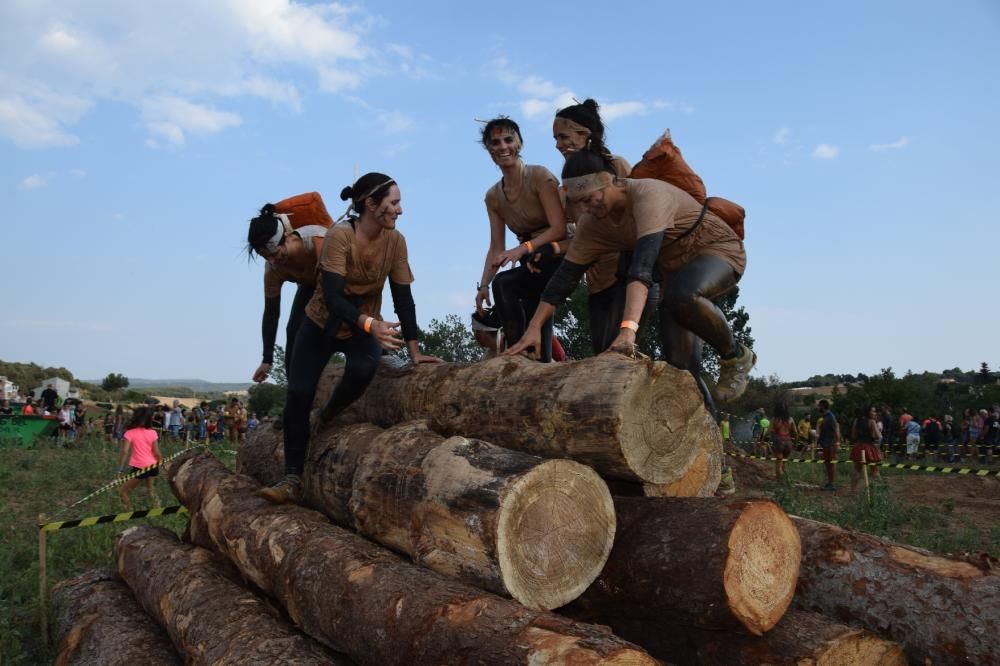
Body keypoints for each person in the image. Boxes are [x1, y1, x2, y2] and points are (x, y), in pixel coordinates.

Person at [507, 150, 755, 413]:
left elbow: (642, 268)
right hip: (674, 274)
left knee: (683, 297)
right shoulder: (594, 224)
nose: (586, 208)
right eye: (578, 203)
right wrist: (533, 328)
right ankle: (709, 445)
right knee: (683, 371)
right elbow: (563, 279)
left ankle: (735, 354)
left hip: (716, 251)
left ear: (610, 181)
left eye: (590, 198)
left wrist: (627, 332)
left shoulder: (648, 196)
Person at [260, 172, 442, 503]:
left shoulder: (396, 242)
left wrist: (415, 351)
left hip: (361, 325)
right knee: (298, 394)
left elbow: (403, 297)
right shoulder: (338, 237)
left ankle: (326, 415)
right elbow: (332, 296)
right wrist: (371, 326)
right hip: (320, 324)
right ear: (371, 204)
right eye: (394, 202)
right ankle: (291, 479)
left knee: (362, 369)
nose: (399, 210)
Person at [552, 99, 659, 353]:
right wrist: (548, 248)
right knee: (601, 353)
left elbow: (645, 219)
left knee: (617, 353)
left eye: (563, 137)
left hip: (629, 277)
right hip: (597, 282)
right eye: (555, 139)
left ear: (585, 135)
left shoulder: (618, 167)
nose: (558, 145)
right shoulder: (568, 186)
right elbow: (581, 239)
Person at [475, 117, 567, 362]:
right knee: (505, 286)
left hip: (557, 251)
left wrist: (523, 248)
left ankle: (528, 356)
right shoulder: (494, 196)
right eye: (495, 142)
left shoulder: (539, 176)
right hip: (528, 258)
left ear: (520, 143)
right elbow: (496, 247)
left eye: (508, 140)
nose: (503, 146)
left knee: (519, 286)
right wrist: (483, 285)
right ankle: (522, 357)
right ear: (489, 150)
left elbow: (559, 228)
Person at [246, 203, 331, 394]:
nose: (273, 262)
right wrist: (267, 359)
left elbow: (335, 286)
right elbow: (271, 313)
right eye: (266, 258)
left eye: (275, 254)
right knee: (293, 330)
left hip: (337, 282)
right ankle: (295, 396)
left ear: (288, 238)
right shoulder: (272, 270)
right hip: (310, 286)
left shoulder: (315, 239)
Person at [116, 406, 163, 510]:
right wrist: (162, 464)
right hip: (153, 465)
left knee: (123, 491)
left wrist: (119, 470)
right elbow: (157, 452)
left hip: (140, 467)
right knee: (151, 490)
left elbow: (125, 452)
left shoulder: (129, 433)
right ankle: (158, 510)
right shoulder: (153, 432)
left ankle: (128, 512)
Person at [850, 405, 882, 491]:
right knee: (874, 469)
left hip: (858, 446)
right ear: (868, 412)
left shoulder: (856, 421)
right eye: (873, 411)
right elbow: (878, 436)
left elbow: (853, 436)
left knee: (857, 469)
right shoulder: (871, 421)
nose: (874, 413)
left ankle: (853, 490)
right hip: (868, 446)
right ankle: (881, 489)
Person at [816, 399, 841, 490]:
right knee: (827, 464)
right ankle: (830, 482)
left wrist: (837, 443)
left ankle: (832, 484)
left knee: (831, 464)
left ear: (823, 406)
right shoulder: (825, 417)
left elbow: (836, 430)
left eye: (819, 406)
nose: (818, 408)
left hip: (831, 444)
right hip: (826, 445)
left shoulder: (831, 417)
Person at [769, 402, 795, 480]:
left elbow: (770, 431)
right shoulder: (790, 419)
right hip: (788, 442)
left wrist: (765, 439)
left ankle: (779, 481)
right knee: (784, 463)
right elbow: (795, 432)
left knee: (778, 465)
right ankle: (785, 480)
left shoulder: (774, 419)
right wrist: (795, 442)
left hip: (779, 442)